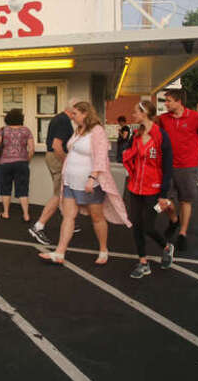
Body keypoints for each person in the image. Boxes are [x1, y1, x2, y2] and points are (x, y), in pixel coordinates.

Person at [39, 101, 131, 264]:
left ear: (85, 114)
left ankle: (103, 250)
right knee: (68, 217)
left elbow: (101, 157)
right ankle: (60, 252)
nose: (72, 117)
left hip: (89, 184)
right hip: (70, 182)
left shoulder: (97, 131)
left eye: (75, 114)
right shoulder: (79, 130)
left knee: (97, 217)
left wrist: (93, 177)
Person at [122, 101, 175, 278]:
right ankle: (143, 262)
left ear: (144, 113)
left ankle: (167, 247)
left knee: (148, 226)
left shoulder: (161, 136)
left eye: (135, 112)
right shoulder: (136, 134)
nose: (133, 115)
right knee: (136, 224)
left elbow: (168, 167)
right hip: (135, 187)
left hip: (154, 190)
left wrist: (163, 194)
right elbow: (127, 152)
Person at [158, 89, 198, 250]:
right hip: (167, 166)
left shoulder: (195, 117)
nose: (166, 104)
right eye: (165, 101)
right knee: (165, 202)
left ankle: (182, 233)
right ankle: (174, 220)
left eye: (168, 101)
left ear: (178, 101)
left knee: (185, 200)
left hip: (187, 166)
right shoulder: (163, 119)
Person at [28, 98, 79, 245]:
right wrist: (67, 162)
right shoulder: (63, 121)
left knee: (63, 193)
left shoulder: (59, 118)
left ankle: (69, 221)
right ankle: (38, 226)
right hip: (57, 157)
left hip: (52, 157)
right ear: (73, 109)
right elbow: (57, 146)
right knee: (59, 193)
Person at [0, 108, 34, 221]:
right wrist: (27, 160)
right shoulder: (26, 131)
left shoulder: (3, 130)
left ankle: (6, 213)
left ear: (7, 119)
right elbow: (32, 149)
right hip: (22, 163)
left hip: (5, 163)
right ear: (21, 119)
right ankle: (26, 215)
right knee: (23, 189)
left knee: (5, 188)